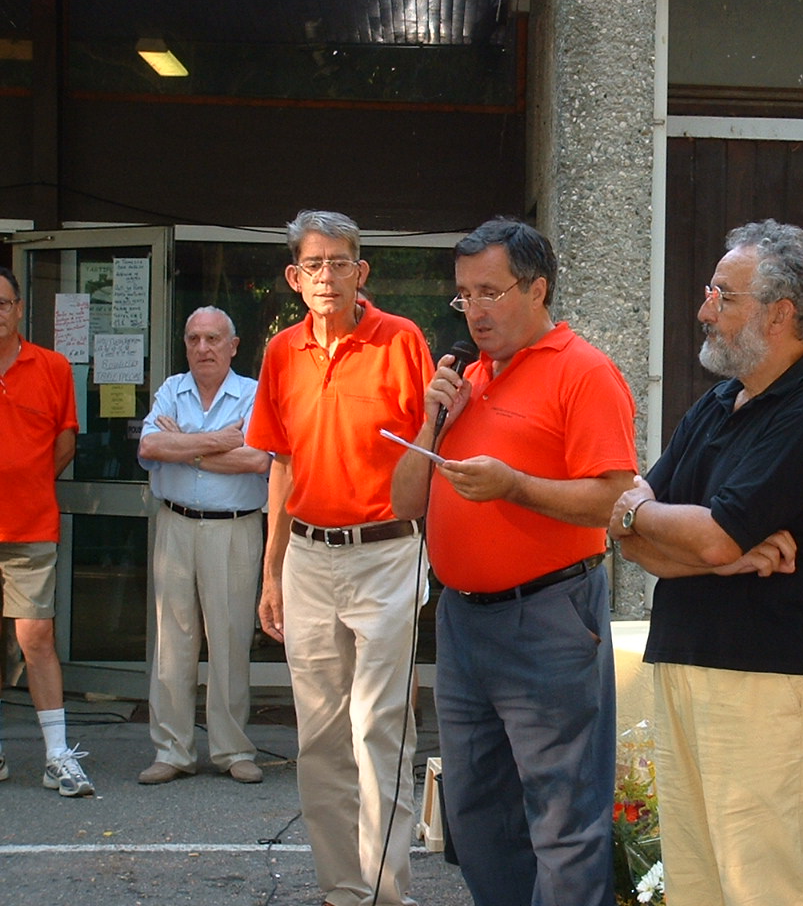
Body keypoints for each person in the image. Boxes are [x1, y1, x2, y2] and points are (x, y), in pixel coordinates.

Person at [609, 219, 803, 906]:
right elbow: (633, 535)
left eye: (723, 296)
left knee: (770, 890)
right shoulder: (718, 403)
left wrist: (668, 524)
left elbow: (703, 532)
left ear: (780, 314)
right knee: (694, 888)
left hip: (774, 683)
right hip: (687, 663)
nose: (705, 311)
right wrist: (705, 552)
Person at [390, 217, 637, 906]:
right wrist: (431, 419)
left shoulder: (584, 371)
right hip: (464, 621)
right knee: (477, 812)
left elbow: (615, 500)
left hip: (548, 617)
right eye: (464, 295)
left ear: (537, 289)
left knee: (563, 816)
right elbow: (403, 500)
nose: (474, 310)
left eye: (490, 292)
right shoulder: (465, 378)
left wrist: (515, 486)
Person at [247, 211, 434, 906]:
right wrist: (270, 572)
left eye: (340, 262)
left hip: (387, 554)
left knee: (379, 728)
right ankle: (342, 890)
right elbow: (282, 465)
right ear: (295, 277)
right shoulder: (280, 352)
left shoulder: (402, 341)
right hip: (306, 557)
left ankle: (385, 893)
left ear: (362, 271)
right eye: (314, 264)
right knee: (321, 739)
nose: (327, 276)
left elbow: (432, 452)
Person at [136, 306, 270, 786]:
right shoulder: (171, 390)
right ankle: (172, 750)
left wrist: (187, 447)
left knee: (230, 640)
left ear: (233, 346)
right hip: (175, 524)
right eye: (194, 339)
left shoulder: (254, 393)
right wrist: (218, 442)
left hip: (233, 529)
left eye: (213, 339)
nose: (202, 348)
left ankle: (232, 749)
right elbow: (150, 447)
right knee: (172, 642)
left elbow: (257, 459)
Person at [0, 265, 94, 797]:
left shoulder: (52, 366)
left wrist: (28, 484)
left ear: (18, 309)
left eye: (2, 303)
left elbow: (65, 442)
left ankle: (57, 755)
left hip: (31, 525)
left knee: (35, 636)